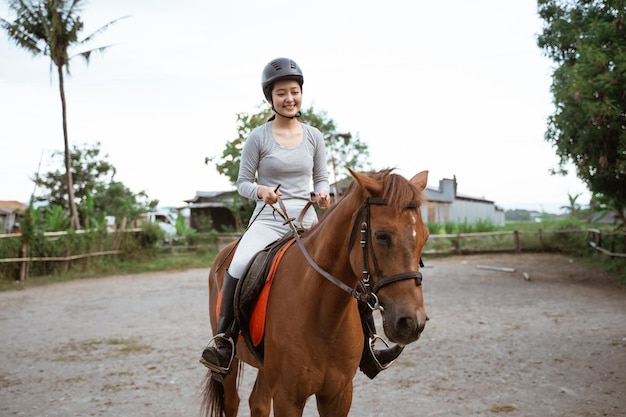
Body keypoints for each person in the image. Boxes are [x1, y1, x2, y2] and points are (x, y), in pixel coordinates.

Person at [200, 57, 402, 381]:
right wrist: (261, 190)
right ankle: (224, 342)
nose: (289, 98)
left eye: (294, 91)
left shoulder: (314, 136)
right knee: (236, 266)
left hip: (308, 220)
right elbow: (242, 184)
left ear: (301, 94)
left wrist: (322, 193)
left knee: (351, 267)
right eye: (281, 93)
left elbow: (320, 178)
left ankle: (369, 346)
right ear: (270, 98)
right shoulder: (258, 137)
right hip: (268, 219)